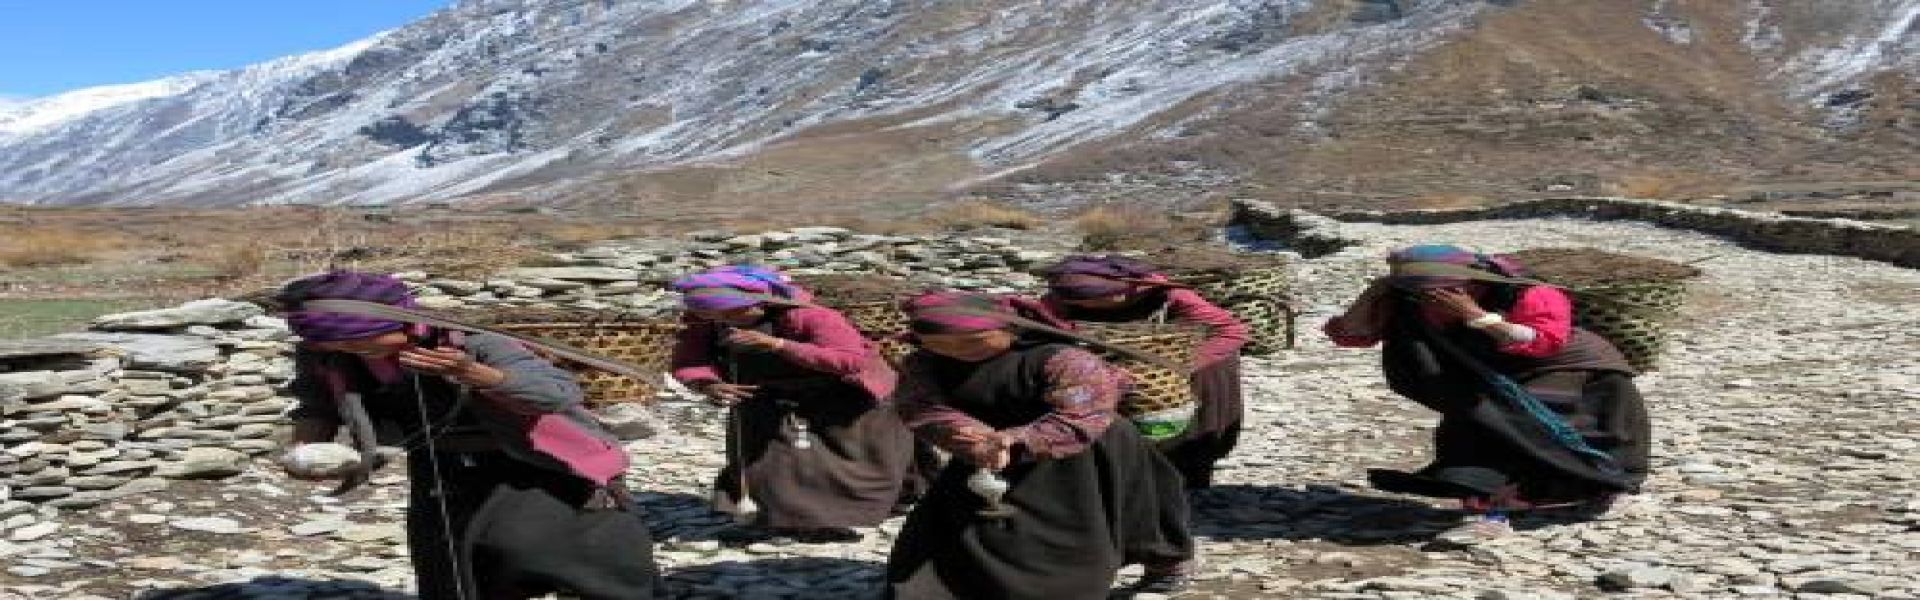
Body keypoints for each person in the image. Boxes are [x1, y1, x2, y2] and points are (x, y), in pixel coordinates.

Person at [279, 270, 658, 599]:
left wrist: (475, 374)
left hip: (535, 459)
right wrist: (306, 449)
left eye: (361, 343)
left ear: (403, 323)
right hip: (440, 463)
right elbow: (317, 405)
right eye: (339, 346)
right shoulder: (325, 354)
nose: (353, 351)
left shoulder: (472, 342)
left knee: (554, 548)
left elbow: (557, 393)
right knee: (452, 558)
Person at [1324, 245, 1652, 542]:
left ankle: (1605, 487)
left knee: (1529, 425)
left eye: (1439, 291)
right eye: (1419, 291)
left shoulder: (1530, 296)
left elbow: (1543, 341)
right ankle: (1488, 505)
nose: (1432, 299)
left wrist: (1475, 316)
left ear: (1474, 283)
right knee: (1479, 423)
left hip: (1570, 368)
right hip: (1490, 373)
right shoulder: (1410, 300)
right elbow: (1351, 333)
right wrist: (1377, 291)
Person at [886, 292, 1196, 599]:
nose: (956, 350)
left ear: (1009, 330)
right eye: (941, 344)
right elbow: (920, 406)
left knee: (1119, 514)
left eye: (972, 341)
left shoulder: (1064, 360)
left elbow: (1084, 413)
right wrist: (971, 435)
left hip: (1085, 450)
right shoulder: (923, 363)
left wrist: (1014, 439)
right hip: (981, 451)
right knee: (969, 528)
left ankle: (1164, 565)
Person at [668, 265, 913, 542]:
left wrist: (779, 345)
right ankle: (791, 520)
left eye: (732, 313)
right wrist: (706, 383)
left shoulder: (812, 317)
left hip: (846, 396)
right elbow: (689, 361)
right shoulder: (704, 323)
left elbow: (850, 361)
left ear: (762, 303)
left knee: (857, 462)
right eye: (712, 315)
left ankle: (858, 512)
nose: (723, 320)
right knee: (774, 463)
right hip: (767, 396)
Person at [1039, 255, 1251, 489]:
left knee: (1189, 425)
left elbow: (1231, 331)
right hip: (1111, 367)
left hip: (1189, 365)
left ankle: (1186, 483)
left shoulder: (1168, 295)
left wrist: (1176, 366)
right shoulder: (1063, 298)